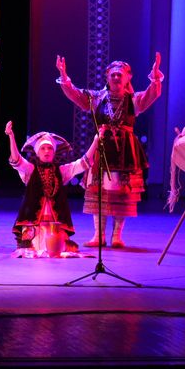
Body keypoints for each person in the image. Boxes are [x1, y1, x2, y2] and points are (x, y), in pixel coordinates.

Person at [55, 53, 163, 247]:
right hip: (102, 149)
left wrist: (155, 76)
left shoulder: (133, 100)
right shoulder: (96, 98)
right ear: (107, 77)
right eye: (112, 74)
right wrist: (64, 76)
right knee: (99, 191)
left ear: (128, 77)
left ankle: (117, 236)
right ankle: (99, 235)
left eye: (120, 74)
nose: (116, 77)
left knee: (122, 192)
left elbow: (151, 94)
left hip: (125, 152)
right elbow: (76, 94)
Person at [4, 121, 92, 257]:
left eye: (50, 148)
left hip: (55, 223)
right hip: (34, 223)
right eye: (43, 148)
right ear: (37, 152)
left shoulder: (61, 171)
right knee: (35, 248)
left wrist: (96, 141)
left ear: (54, 152)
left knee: (58, 248)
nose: (46, 151)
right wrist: (11, 136)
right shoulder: (30, 170)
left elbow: (82, 163)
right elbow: (16, 160)